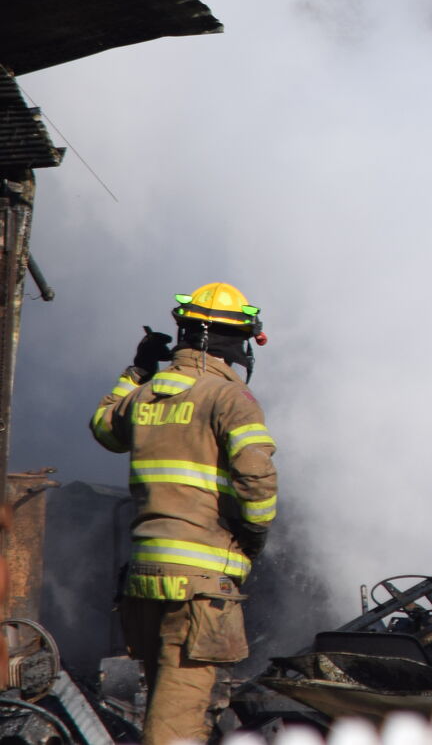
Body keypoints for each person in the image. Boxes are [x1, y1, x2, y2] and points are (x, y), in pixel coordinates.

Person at [90, 284, 277, 745]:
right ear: (237, 341)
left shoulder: (146, 395)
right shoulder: (230, 399)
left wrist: (137, 369)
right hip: (199, 587)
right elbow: (257, 479)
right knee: (175, 722)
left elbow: (103, 427)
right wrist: (253, 538)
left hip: (144, 580)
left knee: (161, 699)